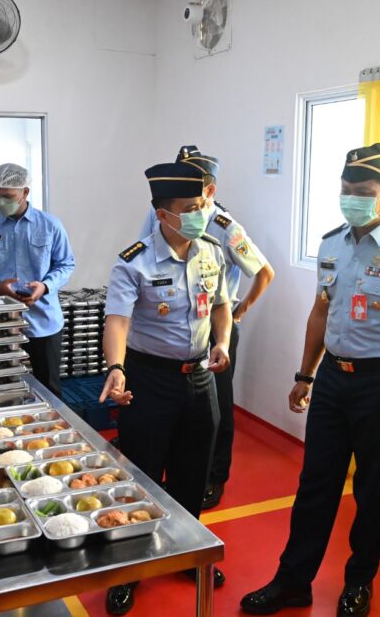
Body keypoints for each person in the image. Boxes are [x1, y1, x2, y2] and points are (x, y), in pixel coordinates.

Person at [241, 143, 380, 616]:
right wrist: (305, 374)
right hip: (333, 378)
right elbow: (321, 311)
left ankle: (358, 583)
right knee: (315, 485)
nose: (352, 199)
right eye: (346, 189)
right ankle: (293, 581)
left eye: (364, 191)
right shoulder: (332, 243)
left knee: (374, 492)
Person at [98, 157, 233, 615]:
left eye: (202, 204)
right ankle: (131, 568)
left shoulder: (211, 250)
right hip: (149, 379)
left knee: (193, 475)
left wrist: (222, 342)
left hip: (200, 378)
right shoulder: (133, 261)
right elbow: (117, 320)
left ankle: (187, 554)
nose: (201, 213)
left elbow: (221, 304)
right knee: (142, 476)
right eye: (190, 208)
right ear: (163, 214)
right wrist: (116, 367)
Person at [137, 145, 275, 509]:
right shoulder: (162, 213)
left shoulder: (224, 227)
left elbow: (264, 273)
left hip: (214, 326)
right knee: (177, 410)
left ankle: (214, 476)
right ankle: (174, 471)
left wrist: (237, 314)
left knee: (216, 408)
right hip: (172, 323)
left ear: (210, 190)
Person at [0, 163, 75, 397]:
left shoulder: (50, 226)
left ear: (25, 192)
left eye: (8, 197)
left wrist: (45, 286)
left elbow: (65, 264)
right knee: (0, 386)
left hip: (44, 321)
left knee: (49, 387)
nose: (1, 202)